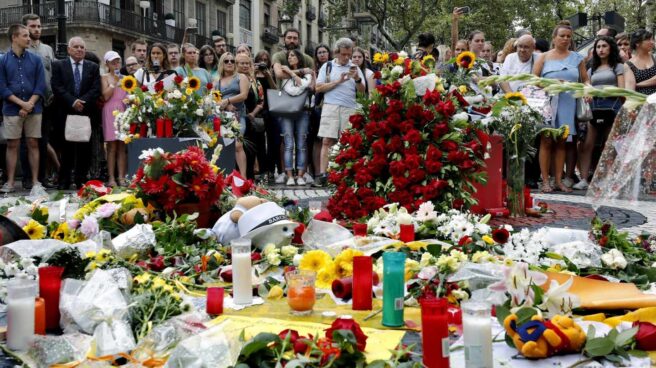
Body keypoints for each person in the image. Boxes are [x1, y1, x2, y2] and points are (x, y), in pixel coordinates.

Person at [533, 20, 590, 193]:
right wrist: (550, 83)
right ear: (554, 37)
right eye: (562, 36)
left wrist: (587, 88)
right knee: (547, 140)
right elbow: (533, 80)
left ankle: (559, 180)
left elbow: (585, 79)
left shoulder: (577, 58)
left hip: (568, 102)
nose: (565, 39)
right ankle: (545, 180)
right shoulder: (543, 57)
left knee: (562, 142)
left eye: (568, 37)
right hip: (548, 102)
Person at [312, 38, 365, 187]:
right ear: (336, 53)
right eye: (344, 54)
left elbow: (362, 91)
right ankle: (323, 175)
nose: (347, 57)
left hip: (350, 108)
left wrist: (357, 79)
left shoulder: (355, 68)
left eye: (349, 54)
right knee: (326, 141)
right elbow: (318, 88)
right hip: (330, 106)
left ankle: (345, 174)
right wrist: (338, 82)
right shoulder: (327, 67)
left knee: (347, 142)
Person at [574, 36, 624, 191]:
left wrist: (605, 91)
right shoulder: (591, 69)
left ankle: (610, 180)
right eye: (598, 47)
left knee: (610, 145)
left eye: (604, 46)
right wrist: (588, 93)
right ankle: (584, 179)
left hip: (613, 108)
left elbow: (622, 91)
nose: (601, 49)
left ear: (611, 48)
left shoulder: (618, 67)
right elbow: (586, 88)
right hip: (594, 109)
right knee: (588, 145)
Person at [0, 24, 46, 193]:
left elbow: (41, 86)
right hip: (11, 109)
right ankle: (10, 182)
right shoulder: (2, 60)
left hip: (34, 108)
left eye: (28, 35)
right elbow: (2, 88)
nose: (29, 38)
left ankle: (35, 182)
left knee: (33, 143)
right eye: (25, 35)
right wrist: (21, 104)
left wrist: (29, 105)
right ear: (14, 37)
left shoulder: (36, 60)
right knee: (12, 144)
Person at [51, 37, 100, 189]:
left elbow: (96, 88)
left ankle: (81, 180)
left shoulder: (92, 67)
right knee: (66, 148)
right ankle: (64, 180)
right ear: (69, 49)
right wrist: (72, 101)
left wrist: (82, 102)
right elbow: (57, 86)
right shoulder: (58, 65)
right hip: (65, 111)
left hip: (86, 112)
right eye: (76, 46)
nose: (79, 49)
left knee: (84, 148)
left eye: (82, 47)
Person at [22, 13, 58, 189]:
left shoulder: (48, 50)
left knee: (43, 141)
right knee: (26, 142)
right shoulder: (20, 49)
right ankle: (27, 178)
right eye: (32, 26)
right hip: (25, 102)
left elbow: (53, 74)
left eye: (38, 26)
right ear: (25, 28)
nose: (36, 29)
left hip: (46, 102)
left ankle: (41, 179)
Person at [279, 49, 314, 186]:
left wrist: (291, 72)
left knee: (301, 145)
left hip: (303, 112)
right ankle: (289, 176)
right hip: (287, 112)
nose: (290, 58)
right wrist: (291, 73)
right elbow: (291, 90)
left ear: (299, 58)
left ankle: (300, 175)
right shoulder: (284, 74)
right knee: (288, 144)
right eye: (288, 56)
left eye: (293, 55)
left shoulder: (307, 73)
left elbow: (302, 86)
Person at [216, 52, 249, 177]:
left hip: (238, 116)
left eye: (232, 61)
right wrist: (224, 105)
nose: (229, 63)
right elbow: (214, 98)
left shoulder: (241, 77)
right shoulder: (217, 81)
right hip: (223, 117)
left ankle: (243, 177)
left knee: (238, 145)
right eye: (226, 61)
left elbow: (244, 95)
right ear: (222, 63)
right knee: (225, 146)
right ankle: (228, 176)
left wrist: (228, 100)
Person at [236, 53, 265, 180]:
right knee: (239, 149)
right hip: (237, 119)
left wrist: (253, 114)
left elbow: (261, 100)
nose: (245, 65)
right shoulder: (235, 79)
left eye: (247, 63)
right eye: (242, 63)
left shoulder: (255, 81)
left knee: (251, 150)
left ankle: (250, 180)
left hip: (251, 119)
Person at [100, 51, 127, 187]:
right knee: (111, 146)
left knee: (122, 145)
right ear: (107, 64)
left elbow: (129, 95)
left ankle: (121, 177)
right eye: (113, 62)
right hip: (110, 111)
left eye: (118, 62)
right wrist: (113, 83)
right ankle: (111, 177)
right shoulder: (104, 77)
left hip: (123, 111)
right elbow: (105, 96)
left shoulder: (126, 78)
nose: (116, 64)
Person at [253, 50, 280, 184]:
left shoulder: (271, 73)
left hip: (271, 110)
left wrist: (268, 76)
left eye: (265, 60)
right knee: (259, 143)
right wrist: (253, 72)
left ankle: (271, 170)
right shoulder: (252, 73)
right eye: (260, 59)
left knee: (274, 142)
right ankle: (263, 170)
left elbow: (276, 90)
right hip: (258, 111)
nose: (263, 62)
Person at [624, 29, 656, 95]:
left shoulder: (654, 57)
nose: (652, 42)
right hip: (642, 102)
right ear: (637, 43)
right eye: (648, 39)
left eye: (652, 39)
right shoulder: (629, 65)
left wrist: (638, 84)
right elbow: (630, 89)